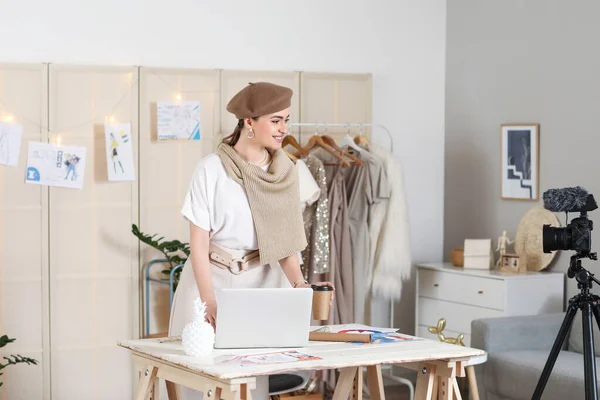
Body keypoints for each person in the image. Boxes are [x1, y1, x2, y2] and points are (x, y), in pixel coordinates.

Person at [168, 82, 334, 400]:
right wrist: (209, 302)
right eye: (275, 120)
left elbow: (285, 243)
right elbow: (198, 246)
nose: (284, 128)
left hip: (264, 286)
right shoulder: (211, 171)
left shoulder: (287, 172)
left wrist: (301, 287)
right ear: (249, 121)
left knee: (254, 385)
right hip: (211, 283)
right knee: (203, 384)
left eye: (286, 119)